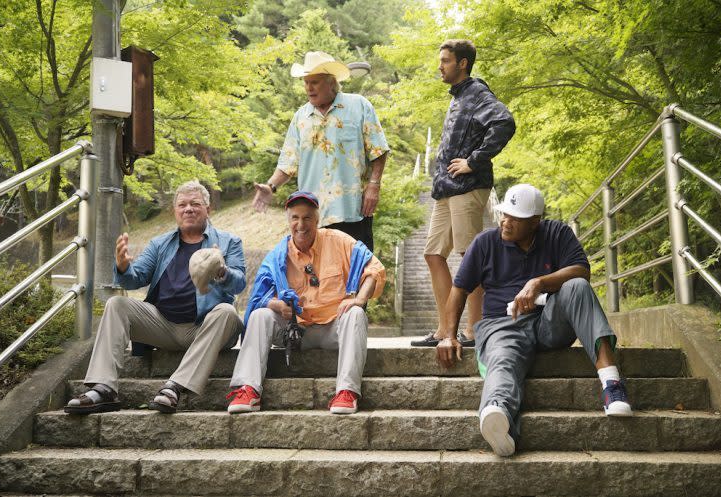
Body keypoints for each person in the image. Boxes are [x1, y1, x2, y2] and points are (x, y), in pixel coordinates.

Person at [436, 184, 633, 457]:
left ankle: (613, 385)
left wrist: (538, 282)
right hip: (501, 325)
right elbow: (459, 290)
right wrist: (449, 335)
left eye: (516, 218)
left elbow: (581, 271)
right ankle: (497, 415)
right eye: (505, 214)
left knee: (577, 286)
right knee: (503, 357)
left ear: (535, 222)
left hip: (548, 322)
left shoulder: (556, 233)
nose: (506, 221)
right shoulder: (484, 243)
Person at [65, 181, 246, 415]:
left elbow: (240, 283)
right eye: (182, 205)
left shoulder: (228, 242)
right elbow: (135, 278)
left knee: (227, 312)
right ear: (175, 211)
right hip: (163, 326)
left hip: (205, 327)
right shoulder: (160, 244)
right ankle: (104, 389)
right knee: (117, 304)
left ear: (208, 210)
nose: (188, 209)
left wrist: (222, 271)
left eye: (195, 204)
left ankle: (175, 387)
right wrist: (122, 268)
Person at [227, 191, 386, 415]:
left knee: (356, 314)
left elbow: (374, 269)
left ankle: (347, 393)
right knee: (260, 315)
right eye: (295, 218)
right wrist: (277, 306)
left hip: (334, 329)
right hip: (295, 332)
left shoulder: (339, 241)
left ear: (318, 220)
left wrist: (358, 299)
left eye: (307, 217)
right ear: (288, 220)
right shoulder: (278, 255)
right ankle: (249, 389)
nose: (301, 224)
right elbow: (260, 296)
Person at [412, 39, 516, 349]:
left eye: (445, 60)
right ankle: (446, 330)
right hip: (446, 189)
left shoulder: (476, 93)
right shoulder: (458, 97)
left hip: (468, 187)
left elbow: (504, 122)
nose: (439, 66)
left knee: (470, 257)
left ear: (462, 64)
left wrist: (473, 161)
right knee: (433, 254)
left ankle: (473, 330)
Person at [251, 51, 390, 252]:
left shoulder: (358, 105)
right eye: (306, 82)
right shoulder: (300, 117)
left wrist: (374, 185)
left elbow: (378, 149)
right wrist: (270, 187)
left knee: (357, 274)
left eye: (314, 82)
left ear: (331, 82)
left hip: (353, 210)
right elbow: (288, 162)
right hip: (312, 216)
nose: (308, 87)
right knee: (317, 278)